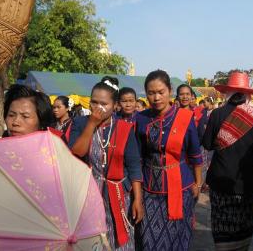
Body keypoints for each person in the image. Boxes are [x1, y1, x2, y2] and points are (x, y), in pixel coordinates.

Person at [69, 76, 143, 251]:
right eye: (94, 102)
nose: (98, 107)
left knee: (119, 239)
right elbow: (77, 152)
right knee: (92, 239)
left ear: (115, 105)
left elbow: (133, 166)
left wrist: (138, 199)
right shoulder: (80, 123)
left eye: (104, 104)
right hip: (88, 193)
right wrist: (92, 123)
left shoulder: (124, 128)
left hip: (118, 193)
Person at [203, 71, 253, 251]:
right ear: (247, 94)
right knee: (245, 220)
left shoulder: (216, 114)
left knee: (221, 221)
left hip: (220, 180)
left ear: (228, 93)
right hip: (248, 181)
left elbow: (208, 144)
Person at [136, 70, 203, 251]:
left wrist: (198, 182)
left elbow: (195, 153)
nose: (156, 97)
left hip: (181, 187)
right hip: (150, 189)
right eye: (151, 93)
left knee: (178, 238)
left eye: (161, 92)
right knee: (149, 240)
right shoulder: (140, 119)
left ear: (170, 90)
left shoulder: (184, 117)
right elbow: (138, 157)